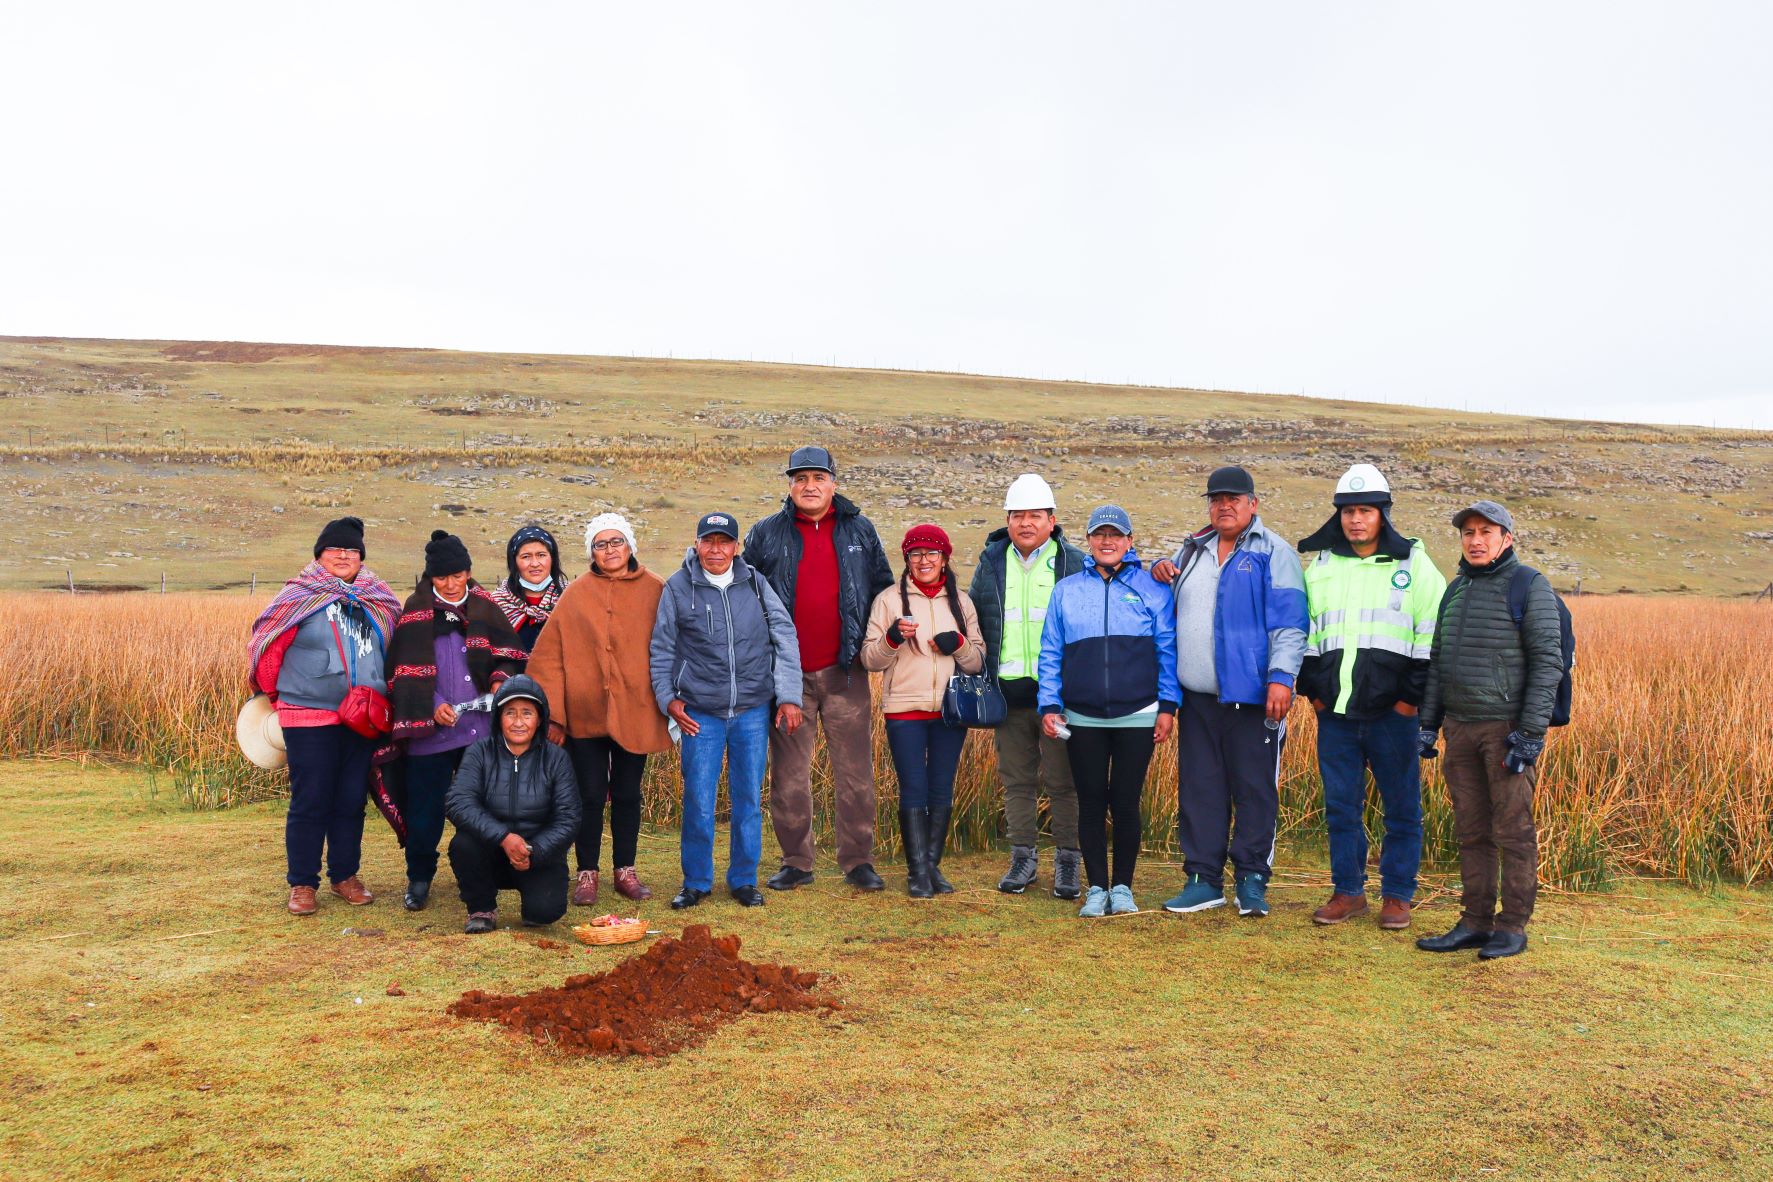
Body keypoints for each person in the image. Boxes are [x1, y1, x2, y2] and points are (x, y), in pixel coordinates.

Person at [1150, 466, 1307, 919]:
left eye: (1234, 498)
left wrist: (1282, 675)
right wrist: (1162, 571)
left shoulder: (1273, 552)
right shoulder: (1193, 549)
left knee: (1254, 790)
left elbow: (1291, 623)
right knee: (1200, 789)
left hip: (1255, 697)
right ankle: (1203, 879)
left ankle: (1252, 881)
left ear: (1252, 504)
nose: (1224, 505)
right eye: (1216, 498)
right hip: (1197, 698)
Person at [1295, 464, 1447, 930]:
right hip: (1336, 714)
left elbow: (1431, 638)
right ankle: (1348, 892)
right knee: (1341, 806)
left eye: (1365, 510)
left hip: (1393, 716)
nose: (1355, 519)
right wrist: (1317, 697)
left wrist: (1408, 703)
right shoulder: (1320, 566)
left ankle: (1397, 895)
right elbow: (1306, 636)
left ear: (1383, 514)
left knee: (1402, 806)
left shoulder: (1414, 565)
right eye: (1347, 511)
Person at [1415, 500, 1564, 961]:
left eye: (1486, 532)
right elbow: (1439, 662)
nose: (1475, 540)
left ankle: (1513, 927)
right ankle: (1475, 921)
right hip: (1459, 729)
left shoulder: (1528, 585)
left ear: (1506, 539)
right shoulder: (1455, 589)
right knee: (1471, 830)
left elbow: (1548, 663)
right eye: (1468, 533)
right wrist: (1427, 724)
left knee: (1513, 830)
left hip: (1505, 730)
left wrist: (1530, 734)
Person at [742, 446, 895, 893]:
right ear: (790, 485)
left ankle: (858, 860)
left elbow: (883, 590)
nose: (810, 486)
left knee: (855, 774)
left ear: (834, 483)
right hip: (787, 678)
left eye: (819, 477)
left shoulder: (860, 530)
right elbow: (745, 595)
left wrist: (874, 646)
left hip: (845, 672)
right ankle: (796, 860)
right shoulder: (766, 534)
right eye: (801, 477)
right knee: (788, 776)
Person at [650, 512, 804, 909]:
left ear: (736, 546)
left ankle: (743, 881)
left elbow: (784, 636)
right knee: (699, 800)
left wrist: (789, 696)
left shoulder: (755, 583)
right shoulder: (678, 587)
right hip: (700, 712)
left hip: (752, 709)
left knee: (748, 799)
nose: (716, 549)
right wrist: (668, 698)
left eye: (724, 541)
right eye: (708, 541)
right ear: (697, 543)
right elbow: (662, 648)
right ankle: (696, 882)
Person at [247, 517, 401, 916]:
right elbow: (267, 646)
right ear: (320, 555)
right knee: (311, 799)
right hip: (308, 715)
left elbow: (395, 647)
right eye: (336, 549)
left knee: (350, 799)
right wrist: (279, 696)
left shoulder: (376, 598)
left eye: (352, 550)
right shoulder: (299, 595)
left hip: (362, 719)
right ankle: (302, 883)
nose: (344, 556)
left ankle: (345, 876)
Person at [1037, 505, 1179, 918]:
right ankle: (1097, 887)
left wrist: (1168, 706)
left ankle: (1123, 888)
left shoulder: (1153, 590)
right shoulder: (1067, 590)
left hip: (1139, 713)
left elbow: (1166, 651)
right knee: (1092, 801)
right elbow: (1050, 652)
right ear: (1089, 540)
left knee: (1126, 801)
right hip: (1082, 717)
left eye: (1116, 535)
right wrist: (1050, 704)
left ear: (1129, 542)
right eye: (1099, 534)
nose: (1107, 541)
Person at [526, 512, 670, 908]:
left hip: (636, 710)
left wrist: (671, 695)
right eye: (601, 544)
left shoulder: (657, 589)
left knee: (627, 792)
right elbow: (548, 655)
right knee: (588, 794)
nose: (609, 550)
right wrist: (554, 714)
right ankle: (586, 872)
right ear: (592, 551)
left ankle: (625, 869)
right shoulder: (576, 593)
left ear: (630, 546)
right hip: (584, 715)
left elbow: (674, 645)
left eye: (616, 542)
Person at [386, 530, 527, 912]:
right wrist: (431, 703)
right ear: (429, 577)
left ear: (469, 570)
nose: (450, 584)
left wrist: (500, 679)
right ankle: (419, 878)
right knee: (425, 811)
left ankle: (483, 876)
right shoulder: (414, 614)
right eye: (441, 577)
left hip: (479, 733)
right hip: (430, 735)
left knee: (483, 807)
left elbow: (509, 655)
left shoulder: (485, 607)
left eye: (458, 574)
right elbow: (400, 670)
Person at [968, 473, 1089, 898]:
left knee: (1064, 781)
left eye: (1035, 515)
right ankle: (1023, 861)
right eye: (1018, 515)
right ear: (1007, 518)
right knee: (1016, 780)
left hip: (1058, 697)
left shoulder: (1072, 562)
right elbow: (977, 620)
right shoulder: (991, 563)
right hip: (1007, 696)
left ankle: (1069, 865)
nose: (1025, 523)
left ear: (1052, 520)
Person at [861, 524, 986, 897]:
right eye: (916, 554)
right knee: (913, 787)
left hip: (951, 709)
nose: (924, 560)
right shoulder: (888, 601)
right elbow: (869, 659)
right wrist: (893, 638)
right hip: (904, 708)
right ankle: (918, 873)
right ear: (907, 560)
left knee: (941, 787)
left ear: (945, 558)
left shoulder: (961, 603)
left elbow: (977, 661)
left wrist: (959, 645)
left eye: (932, 553)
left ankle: (932, 868)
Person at [444, 675, 582, 932]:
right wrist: (505, 837)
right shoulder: (479, 752)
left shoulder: (557, 758)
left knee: (544, 912)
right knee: (463, 844)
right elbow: (458, 801)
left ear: (539, 718)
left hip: (537, 855)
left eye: (527, 713)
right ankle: (482, 908)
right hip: (491, 850)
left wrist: (535, 850)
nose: (518, 722)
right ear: (498, 717)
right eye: (510, 713)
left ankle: (534, 898)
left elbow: (569, 817)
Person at [490, 524, 568, 652]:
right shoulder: (496, 605)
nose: (535, 564)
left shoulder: (570, 598)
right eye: (526, 557)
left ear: (552, 558)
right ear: (514, 561)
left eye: (541, 555)